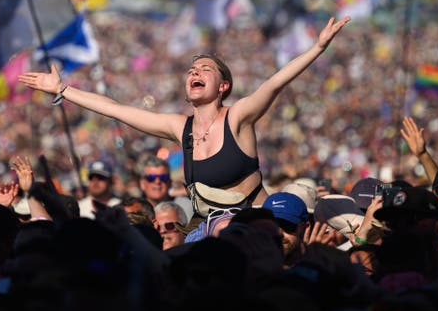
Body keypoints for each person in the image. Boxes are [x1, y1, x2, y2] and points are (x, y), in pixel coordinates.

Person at [18, 16, 351, 214]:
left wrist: (318, 47)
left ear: (223, 86)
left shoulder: (238, 118)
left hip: (257, 228)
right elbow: (117, 110)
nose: (196, 71)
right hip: (206, 235)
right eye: (192, 69)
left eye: (205, 69)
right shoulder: (181, 128)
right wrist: (63, 90)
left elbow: (276, 82)